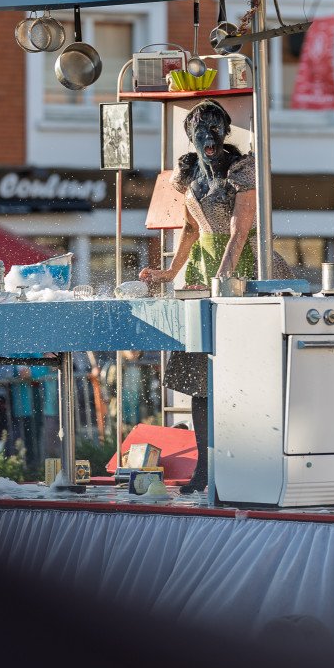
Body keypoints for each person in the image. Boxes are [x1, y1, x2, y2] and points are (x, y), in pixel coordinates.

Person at [139, 98, 291, 492]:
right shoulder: (188, 177)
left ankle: (252, 465)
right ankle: (204, 467)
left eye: (216, 126)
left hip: (245, 266)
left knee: (249, 373)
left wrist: (225, 276)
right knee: (198, 377)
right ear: (191, 136)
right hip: (204, 270)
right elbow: (190, 231)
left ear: (225, 132)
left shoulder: (242, 170)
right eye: (201, 129)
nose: (210, 135)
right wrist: (169, 272)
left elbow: (241, 230)